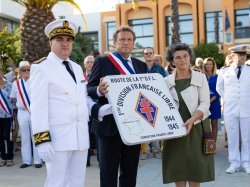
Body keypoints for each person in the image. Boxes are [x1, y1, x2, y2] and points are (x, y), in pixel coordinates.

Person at [30, 19, 108, 187]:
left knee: (77, 182)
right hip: (58, 139)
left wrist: (97, 110)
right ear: (51, 42)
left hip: (79, 136)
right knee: (56, 183)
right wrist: (42, 140)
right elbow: (37, 107)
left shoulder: (76, 67)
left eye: (69, 40)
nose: (65, 44)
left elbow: (80, 99)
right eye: (60, 39)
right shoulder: (41, 68)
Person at [87, 26, 147, 187]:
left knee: (130, 173)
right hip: (108, 127)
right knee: (108, 174)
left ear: (133, 43)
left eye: (129, 40)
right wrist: (99, 90)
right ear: (115, 43)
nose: (126, 43)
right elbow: (88, 89)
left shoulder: (140, 66)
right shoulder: (103, 61)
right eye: (122, 39)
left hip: (134, 126)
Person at [162, 43, 215, 186]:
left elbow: (205, 103)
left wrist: (192, 119)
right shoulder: (165, 82)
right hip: (175, 129)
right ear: (172, 61)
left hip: (197, 127)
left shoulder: (201, 77)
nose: (182, 60)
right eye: (178, 57)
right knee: (178, 168)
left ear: (189, 57)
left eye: (185, 56)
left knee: (195, 169)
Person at [216, 44, 250, 174]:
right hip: (230, 109)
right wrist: (228, 98)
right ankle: (234, 162)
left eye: (244, 55)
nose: (242, 57)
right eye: (239, 55)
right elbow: (219, 88)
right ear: (233, 56)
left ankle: (247, 162)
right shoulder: (224, 71)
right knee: (232, 136)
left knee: (247, 137)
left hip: (247, 108)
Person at [10, 61, 42, 169]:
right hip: (22, 112)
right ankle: (26, 161)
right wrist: (21, 104)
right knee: (24, 136)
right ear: (20, 71)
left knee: (36, 136)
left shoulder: (35, 81)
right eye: (24, 70)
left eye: (28, 69)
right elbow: (13, 98)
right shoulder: (16, 84)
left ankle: (38, 160)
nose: (27, 72)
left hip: (34, 111)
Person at [202, 57, 221, 144]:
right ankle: (205, 144)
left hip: (215, 101)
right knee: (205, 125)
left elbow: (220, 91)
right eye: (207, 64)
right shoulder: (201, 76)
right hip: (203, 101)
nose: (208, 66)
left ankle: (212, 145)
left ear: (213, 66)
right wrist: (205, 101)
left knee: (214, 124)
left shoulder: (217, 77)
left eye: (210, 64)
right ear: (204, 65)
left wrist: (210, 101)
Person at [0, 68, 15, 167]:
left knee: (9, 137)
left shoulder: (10, 85)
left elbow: (14, 101)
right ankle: (3, 157)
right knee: (0, 138)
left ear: (1, 72)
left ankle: (9, 158)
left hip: (8, 115)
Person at [83, 55, 95, 167]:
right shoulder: (79, 76)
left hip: (96, 110)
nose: (90, 64)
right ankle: (86, 161)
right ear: (84, 64)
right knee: (86, 136)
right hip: (85, 111)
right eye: (88, 62)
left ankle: (101, 161)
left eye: (92, 62)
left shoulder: (99, 76)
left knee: (97, 136)